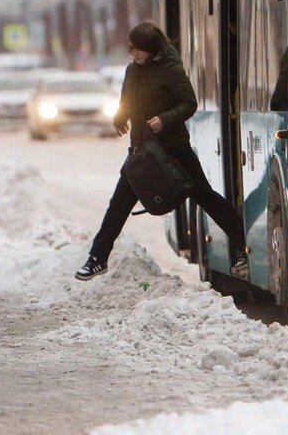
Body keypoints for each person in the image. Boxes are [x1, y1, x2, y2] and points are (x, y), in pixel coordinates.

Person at [76, 22, 249, 281]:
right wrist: (119, 118)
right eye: (131, 49)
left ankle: (241, 248)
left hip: (174, 149)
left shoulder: (170, 69)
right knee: (119, 204)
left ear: (152, 49)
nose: (134, 54)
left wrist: (164, 120)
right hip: (142, 151)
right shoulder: (132, 71)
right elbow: (126, 102)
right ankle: (97, 259)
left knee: (205, 196)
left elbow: (189, 103)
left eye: (139, 50)